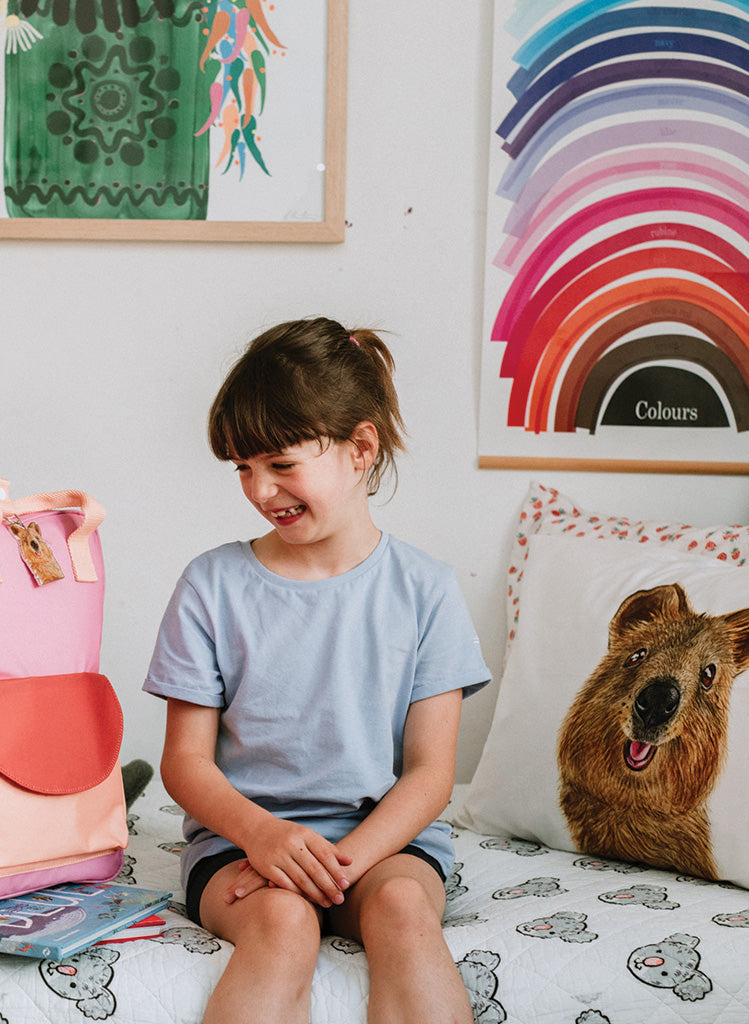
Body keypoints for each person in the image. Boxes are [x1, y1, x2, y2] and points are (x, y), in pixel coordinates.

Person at [144, 317, 490, 1024]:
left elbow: (431, 773)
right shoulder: (211, 585)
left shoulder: (426, 590)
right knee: (282, 923)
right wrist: (263, 837)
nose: (260, 489)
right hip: (243, 843)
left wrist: (345, 863)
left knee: (402, 909)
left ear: (361, 448)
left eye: (280, 464)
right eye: (243, 468)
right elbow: (184, 762)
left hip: (385, 845)